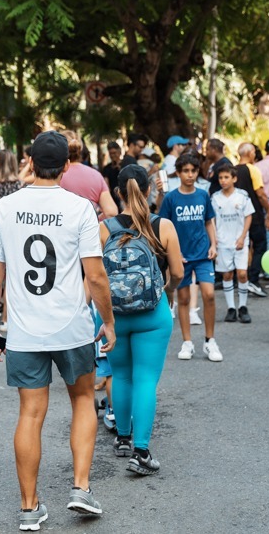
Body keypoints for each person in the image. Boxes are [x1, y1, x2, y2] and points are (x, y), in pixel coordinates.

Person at [0, 130, 116, 530]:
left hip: (24, 331)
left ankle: (29, 507)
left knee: (31, 412)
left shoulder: (5, 207)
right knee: (82, 400)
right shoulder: (79, 208)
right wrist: (107, 321)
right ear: (68, 166)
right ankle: (80, 488)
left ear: (30, 162)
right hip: (72, 327)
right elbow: (96, 276)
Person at [100, 165, 183, 476]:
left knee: (121, 375)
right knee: (146, 379)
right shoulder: (162, 226)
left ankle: (122, 438)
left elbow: (96, 277)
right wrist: (167, 291)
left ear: (118, 192)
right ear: (149, 190)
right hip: (153, 313)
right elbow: (177, 273)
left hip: (114, 315)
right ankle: (142, 451)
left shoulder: (105, 228)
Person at [158, 152, 222, 362]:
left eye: (193, 171)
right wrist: (173, 254)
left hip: (203, 253)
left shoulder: (203, 195)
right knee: (183, 299)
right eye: (185, 171)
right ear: (178, 173)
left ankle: (210, 341)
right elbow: (164, 227)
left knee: (209, 294)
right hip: (181, 256)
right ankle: (187, 342)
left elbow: (208, 222)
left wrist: (213, 244)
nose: (190, 175)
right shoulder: (171, 198)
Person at [211, 165, 255, 324]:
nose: (223, 181)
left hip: (239, 242)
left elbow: (248, 216)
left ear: (234, 179)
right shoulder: (215, 198)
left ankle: (243, 306)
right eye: (221, 178)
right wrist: (214, 239)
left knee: (242, 274)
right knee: (227, 274)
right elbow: (212, 220)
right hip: (223, 242)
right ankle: (231, 308)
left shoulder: (242, 196)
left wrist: (243, 237)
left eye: (226, 177)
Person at [235, 142, 269, 297]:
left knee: (242, 246)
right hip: (254, 214)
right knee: (259, 245)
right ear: (250, 153)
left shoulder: (233, 170)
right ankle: (253, 280)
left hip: (237, 216)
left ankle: (242, 279)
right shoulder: (253, 169)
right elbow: (261, 194)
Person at [58, 130, 118, 219]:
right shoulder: (95, 175)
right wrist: (95, 221)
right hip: (88, 229)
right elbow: (111, 212)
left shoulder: (54, 176)